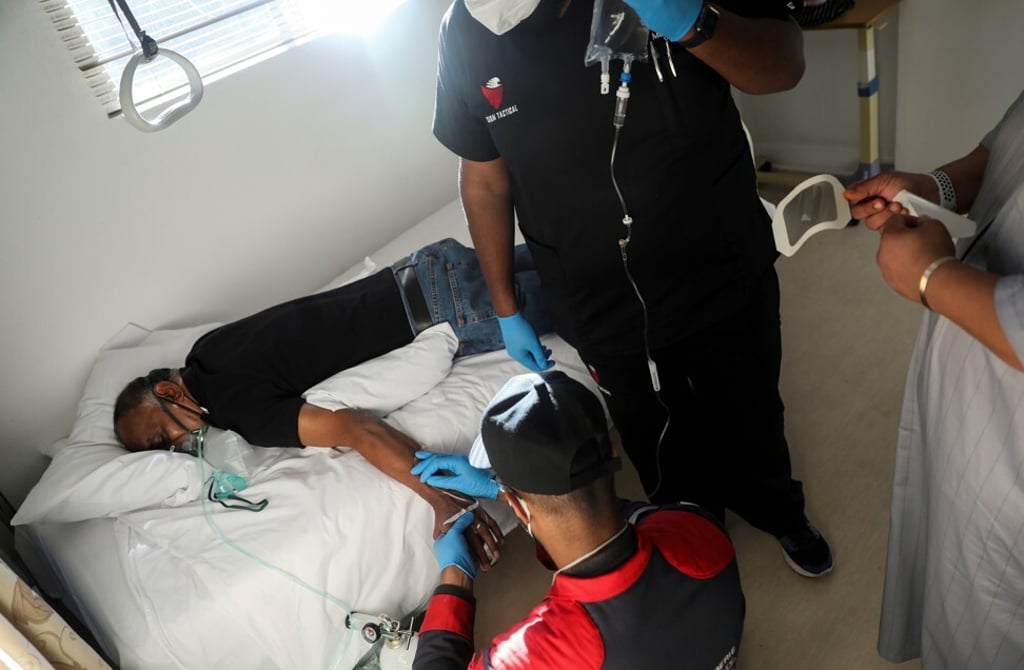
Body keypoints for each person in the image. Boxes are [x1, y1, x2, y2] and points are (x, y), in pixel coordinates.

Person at [431, 0, 832, 576]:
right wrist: (505, 308)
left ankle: (777, 508)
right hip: (596, 295)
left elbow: (783, 66)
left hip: (719, 256)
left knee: (751, 407)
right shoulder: (468, 29)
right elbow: (485, 176)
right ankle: (692, 530)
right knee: (653, 437)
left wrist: (695, 23)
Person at [113, 238, 551, 554]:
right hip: (427, 270)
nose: (179, 449)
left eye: (163, 437)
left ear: (170, 391)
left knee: (603, 302)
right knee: (591, 258)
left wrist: (445, 504)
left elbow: (357, 428)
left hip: (452, 307)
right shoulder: (206, 350)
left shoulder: (236, 409)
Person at [844, 90, 1024, 667]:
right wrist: (930, 188)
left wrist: (931, 278)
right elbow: (1002, 152)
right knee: (946, 565)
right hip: (969, 366)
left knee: (986, 622)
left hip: (1011, 447)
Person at [410, 370, 745, 669]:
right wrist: (505, 493)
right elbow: (632, 518)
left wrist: (455, 579)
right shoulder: (697, 529)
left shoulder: (535, 655)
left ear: (519, 506)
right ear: (613, 454)